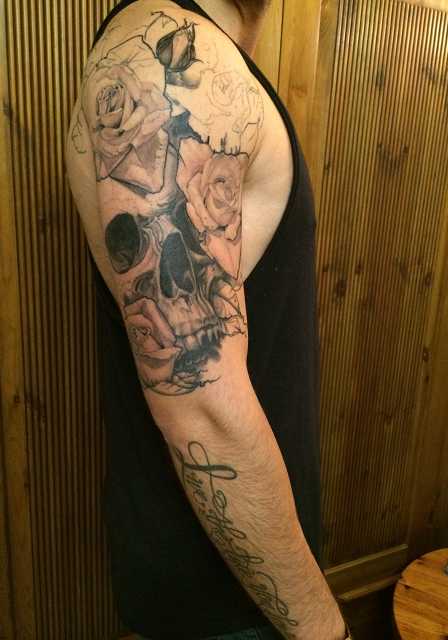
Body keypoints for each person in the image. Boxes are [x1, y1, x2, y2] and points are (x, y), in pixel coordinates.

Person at [66, 1, 352, 638]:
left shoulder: (211, 61)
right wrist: (321, 628)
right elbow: (200, 404)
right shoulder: (165, 57)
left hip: (247, 571)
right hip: (222, 596)